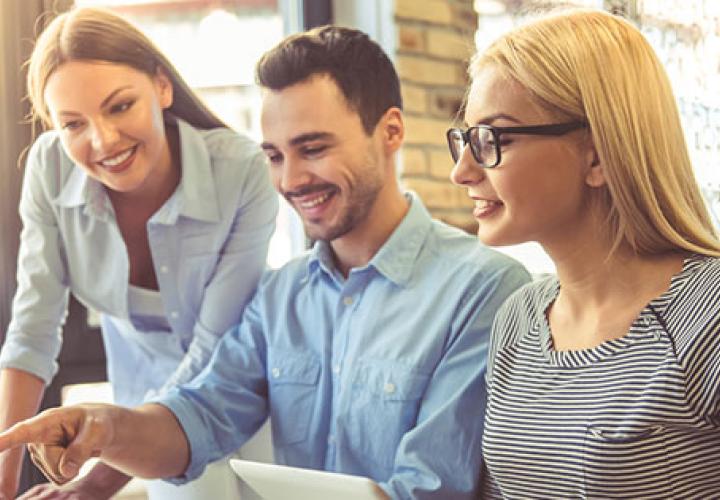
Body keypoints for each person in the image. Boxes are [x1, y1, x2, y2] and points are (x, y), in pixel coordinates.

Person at [0, 25, 530, 499]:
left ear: (391, 131)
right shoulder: (281, 296)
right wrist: (103, 429)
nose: (291, 180)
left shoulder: (482, 290)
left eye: (314, 148)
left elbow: (430, 490)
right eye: (275, 155)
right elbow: (198, 415)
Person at [0, 7, 278, 500]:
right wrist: (3, 479)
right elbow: (33, 329)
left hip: (239, 406)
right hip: (135, 430)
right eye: (72, 124)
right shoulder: (49, 168)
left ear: (162, 88)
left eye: (120, 106)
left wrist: (97, 481)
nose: (102, 140)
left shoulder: (239, 169)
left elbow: (213, 347)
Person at [447, 8, 720, 498]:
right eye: (466, 140)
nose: (463, 171)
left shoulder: (709, 315)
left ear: (596, 154)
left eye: (493, 139)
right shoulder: (519, 318)